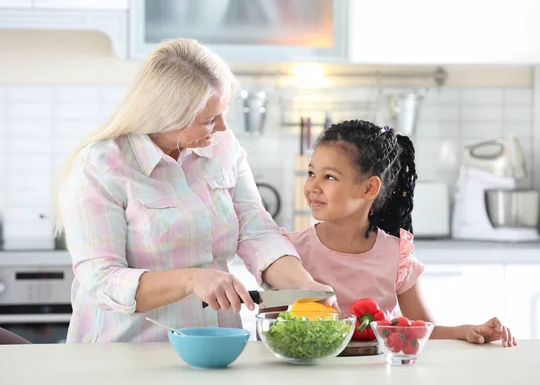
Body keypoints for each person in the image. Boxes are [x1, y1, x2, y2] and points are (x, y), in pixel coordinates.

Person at [55, 39, 333, 343]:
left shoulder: (222, 148)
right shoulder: (101, 166)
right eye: (210, 120)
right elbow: (102, 278)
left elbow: (256, 230)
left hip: (218, 347)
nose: (224, 129)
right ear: (169, 116)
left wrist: (307, 288)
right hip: (127, 352)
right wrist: (191, 279)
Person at [284, 120, 517, 347]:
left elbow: (422, 330)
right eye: (311, 173)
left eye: (329, 177)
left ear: (369, 188)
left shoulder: (396, 256)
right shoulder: (288, 253)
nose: (312, 186)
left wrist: (465, 331)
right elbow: (269, 331)